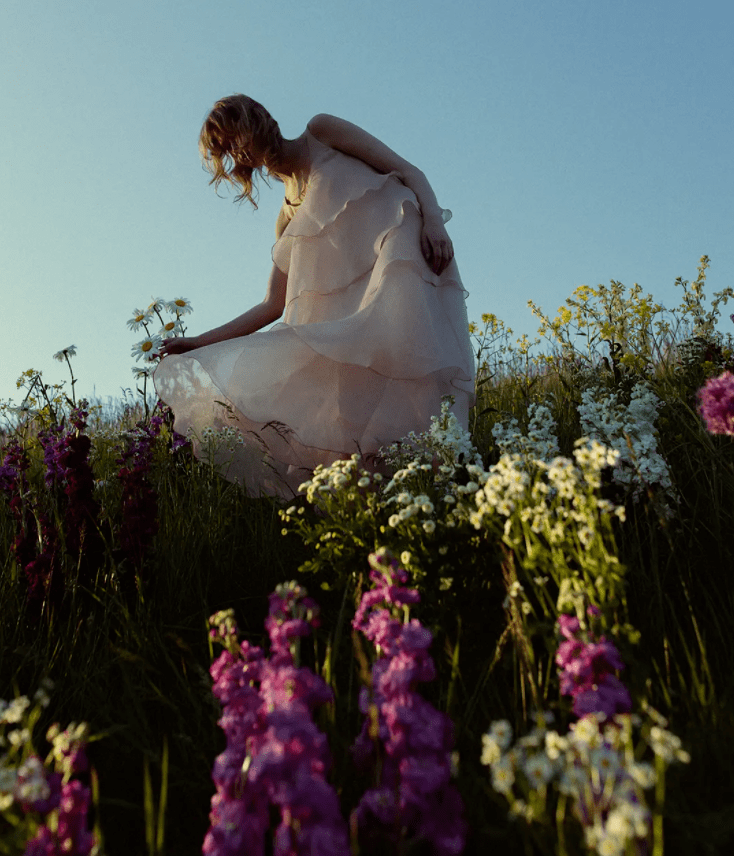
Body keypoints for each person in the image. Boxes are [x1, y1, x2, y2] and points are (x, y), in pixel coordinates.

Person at [154, 94, 476, 501]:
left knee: (411, 378)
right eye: (226, 148)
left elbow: (407, 169)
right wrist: (199, 343)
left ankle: (445, 484)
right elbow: (272, 304)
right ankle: (387, 513)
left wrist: (434, 220)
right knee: (350, 425)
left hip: (402, 259)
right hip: (352, 321)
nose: (237, 150)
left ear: (257, 118)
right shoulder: (288, 217)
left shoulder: (321, 133)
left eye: (234, 134)